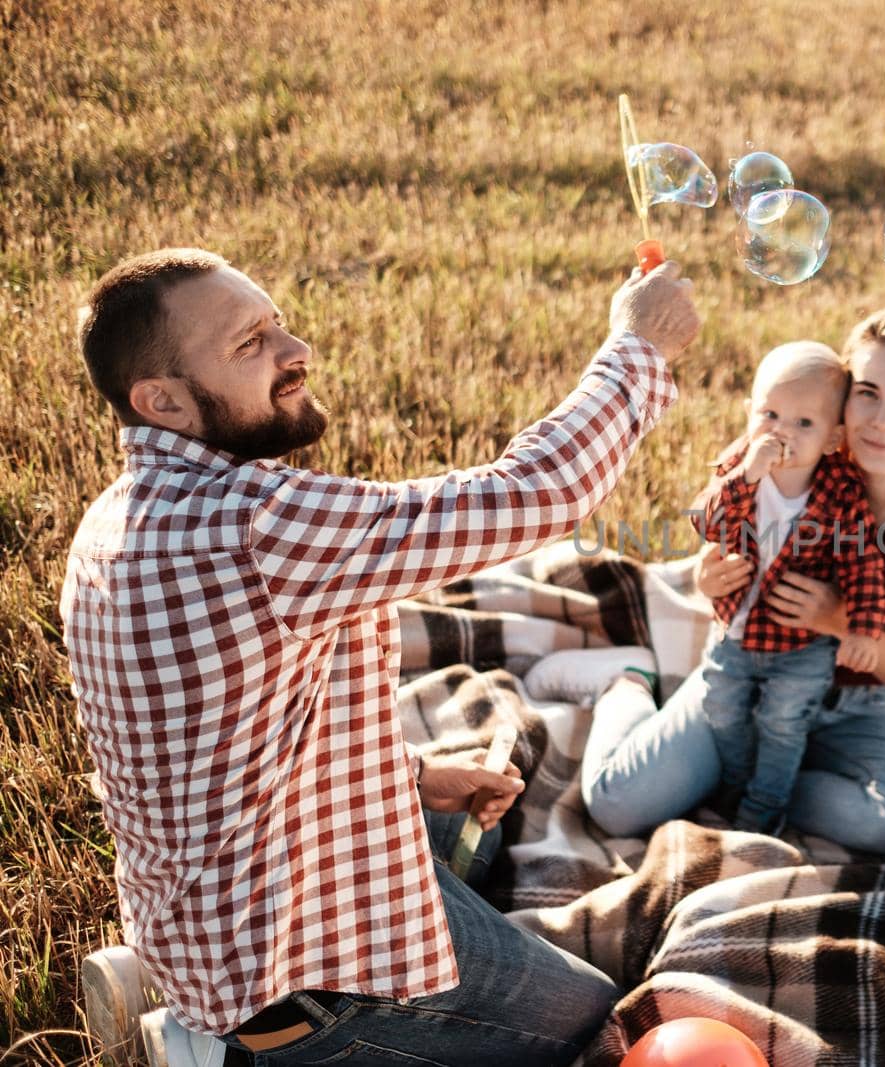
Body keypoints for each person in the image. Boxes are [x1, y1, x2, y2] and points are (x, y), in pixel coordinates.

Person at [60, 247, 699, 1065]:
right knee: (596, 1026)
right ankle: (224, 1049)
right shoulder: (254, 526)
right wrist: (637, 345)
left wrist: (411, 774)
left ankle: (173, 995)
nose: (297, 353)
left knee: (471, 828)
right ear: (165, 402)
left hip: (208, 918)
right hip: (301, 984)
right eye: (251, 343)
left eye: (277, 323)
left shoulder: (113, 518)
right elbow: (541, 492)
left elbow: (219, 747)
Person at [582, 308, 885, 856]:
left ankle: (759, 789)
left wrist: (839, 620)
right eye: (868, 393)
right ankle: (627, 686)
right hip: (748, 675)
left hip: (860, 709)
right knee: (615, 805)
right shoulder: (796, 458)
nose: (883, 419)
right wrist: (704, 578)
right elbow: (724, 525)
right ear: (842, 401)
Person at [691, 342, 885, 833]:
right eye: (770, 414)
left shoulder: (840, 489)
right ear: (748, 414)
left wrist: (863, 629)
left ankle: (763, 814)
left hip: (798, 644)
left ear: (832, 439)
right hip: (734, 628)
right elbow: (707, 523)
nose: (781, 431)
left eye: (804, 423)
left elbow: (862, 562)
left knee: (783, 725)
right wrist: (747, 475)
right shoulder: (739, 467)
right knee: (720, 709)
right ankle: (737, 783)